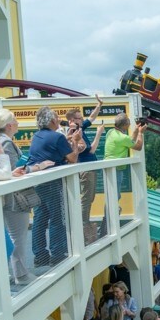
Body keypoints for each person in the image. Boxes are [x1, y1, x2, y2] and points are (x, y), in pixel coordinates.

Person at [0, 109, 52, 284]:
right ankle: (21, 275)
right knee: (18, 237)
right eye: (15, 121)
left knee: (9, 237)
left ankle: (11, 273)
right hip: (14, 198)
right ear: (9, 125)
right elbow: (12, 172)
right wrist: (38, 167)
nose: (17, 123)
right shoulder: (6, 144)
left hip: (4, 197)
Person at [28, 107, 82, 267]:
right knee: (57, 218)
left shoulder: (37, 136)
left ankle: (39, 255)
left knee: (40, 218)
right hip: (52, 182)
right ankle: (58, 254)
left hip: (37, 181)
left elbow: (50, 150)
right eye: (57, 118)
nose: (59, 120)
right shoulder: (57, 137)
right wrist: (76, 141)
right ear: (52, 121)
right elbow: (72, 158)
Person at [65, 94, 104, 242]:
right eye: (78, 118)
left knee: (90, 197)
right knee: (86, 198)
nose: (82, 119)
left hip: (90, 168)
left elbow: (92, 118)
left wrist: (99, 105)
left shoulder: (81, 128)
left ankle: (85, 222)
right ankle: (83, 223)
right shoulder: (75, 133)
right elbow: (91, 149)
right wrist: (99, 134)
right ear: (72, 120)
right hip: (85, 169)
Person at [104, 112, 146, 199]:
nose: (130, 124)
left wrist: (135, 130)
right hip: (116, 168)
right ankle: (112, 212)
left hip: (108, 167)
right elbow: (138, 147)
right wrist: (140, 133)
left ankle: (110, 212)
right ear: (124, 125)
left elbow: (128, 142)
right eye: (129, 123)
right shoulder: (123, 138)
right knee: (115, 196)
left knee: (111, 195)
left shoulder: (111, 132)